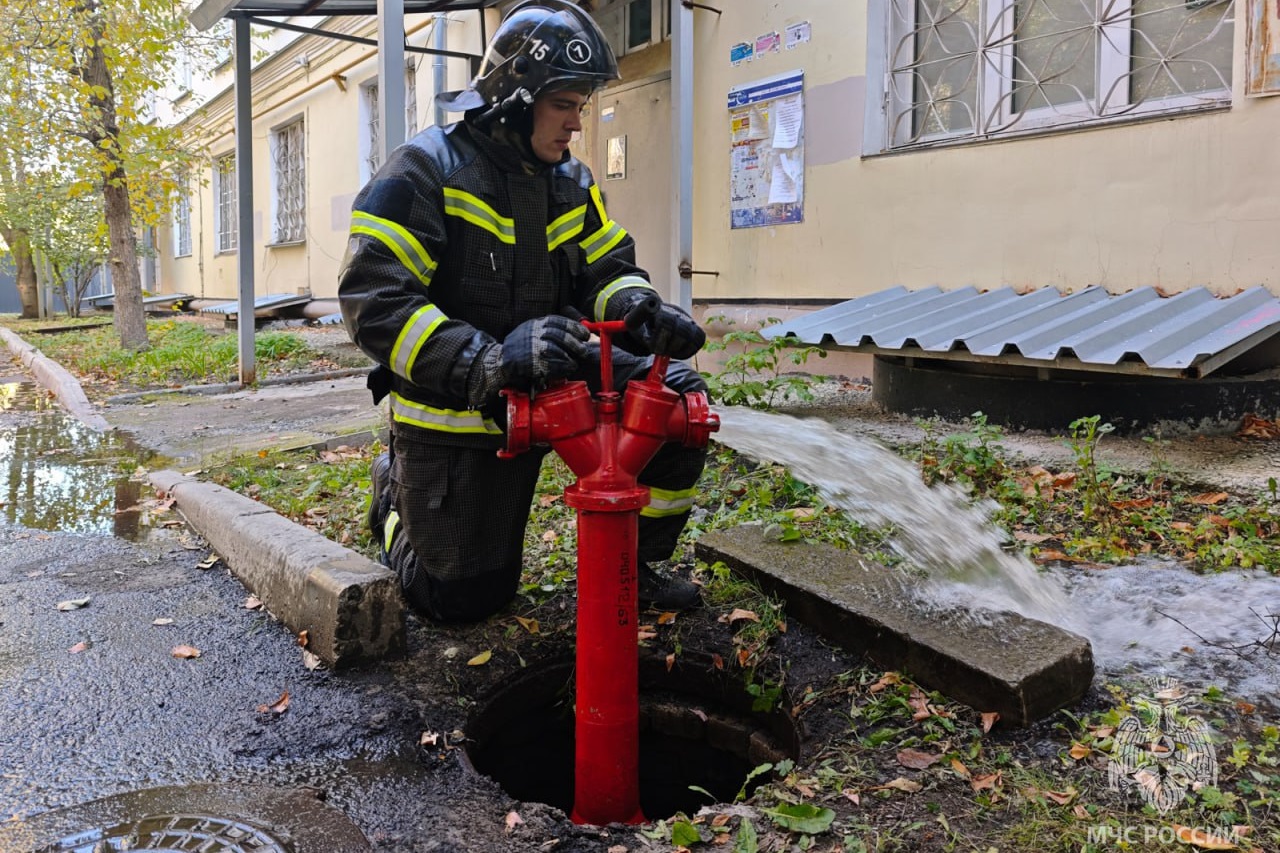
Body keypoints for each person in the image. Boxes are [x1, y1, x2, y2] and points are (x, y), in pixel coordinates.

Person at [338, 0, 710, 624]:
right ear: (515, 97)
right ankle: (391, 495)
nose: (575, 124)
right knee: (462, 601)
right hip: (461, 403)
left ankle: (634, 562)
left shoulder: (570, 181)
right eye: (564, 106)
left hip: (557, 371)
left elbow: (605, 270)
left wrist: (642, 311)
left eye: (580, 108)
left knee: (674, 397)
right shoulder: (424, 171)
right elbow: (374, 300)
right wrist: (487, 359)